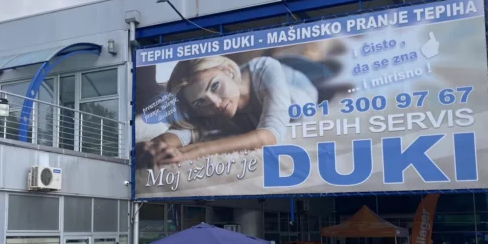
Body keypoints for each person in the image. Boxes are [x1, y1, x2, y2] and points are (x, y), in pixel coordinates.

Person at [136, 54, 339, 168]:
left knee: (333, 72)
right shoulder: (210, 109)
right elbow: (186, 131)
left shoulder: (265, 68)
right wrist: (156, 146)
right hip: (270, 75)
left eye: (215, 86)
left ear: (227, 71)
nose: (215, 103)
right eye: (200, 102)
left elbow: (269, 136)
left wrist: (193, 152)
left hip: (308, 77)